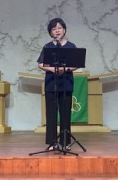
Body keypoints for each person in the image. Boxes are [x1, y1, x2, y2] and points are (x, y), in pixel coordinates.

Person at [37, 17, 78, 150]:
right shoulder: (48, 46)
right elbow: (40, 64)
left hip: (66, 84)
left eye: (60, 28)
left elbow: (76, 64)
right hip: (51, 84)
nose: (57, 31)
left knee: (65, 114)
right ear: (50, 32)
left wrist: (65, 69)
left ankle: (65, 142)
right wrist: (52, 69)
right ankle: (52, 142)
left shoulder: (71, 46)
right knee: (51, 114)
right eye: (54, 29)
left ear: (64, 30)